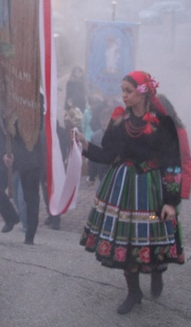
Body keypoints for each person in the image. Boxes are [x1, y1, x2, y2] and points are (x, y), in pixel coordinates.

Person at [75, 70, 184, 315]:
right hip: (122, 189)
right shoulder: (119, 121)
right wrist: (86, 145)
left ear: (143, 92)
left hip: (152, 191)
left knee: (154, 227)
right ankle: (134, 292)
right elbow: (108, 154)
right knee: (126, 237)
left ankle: (156, 270)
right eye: (123, 90)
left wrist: (170, 201)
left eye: (128, 91)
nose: (123, 95)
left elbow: (172, 162)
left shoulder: (162, 123)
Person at [0, 120, 45, 245]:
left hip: (29, 156)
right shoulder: (2, 105)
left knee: (31, 197)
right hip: (8, 155)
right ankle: (10, 217)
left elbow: (37, 126)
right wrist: (5, 152)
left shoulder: (33, 104)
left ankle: (30, 235)